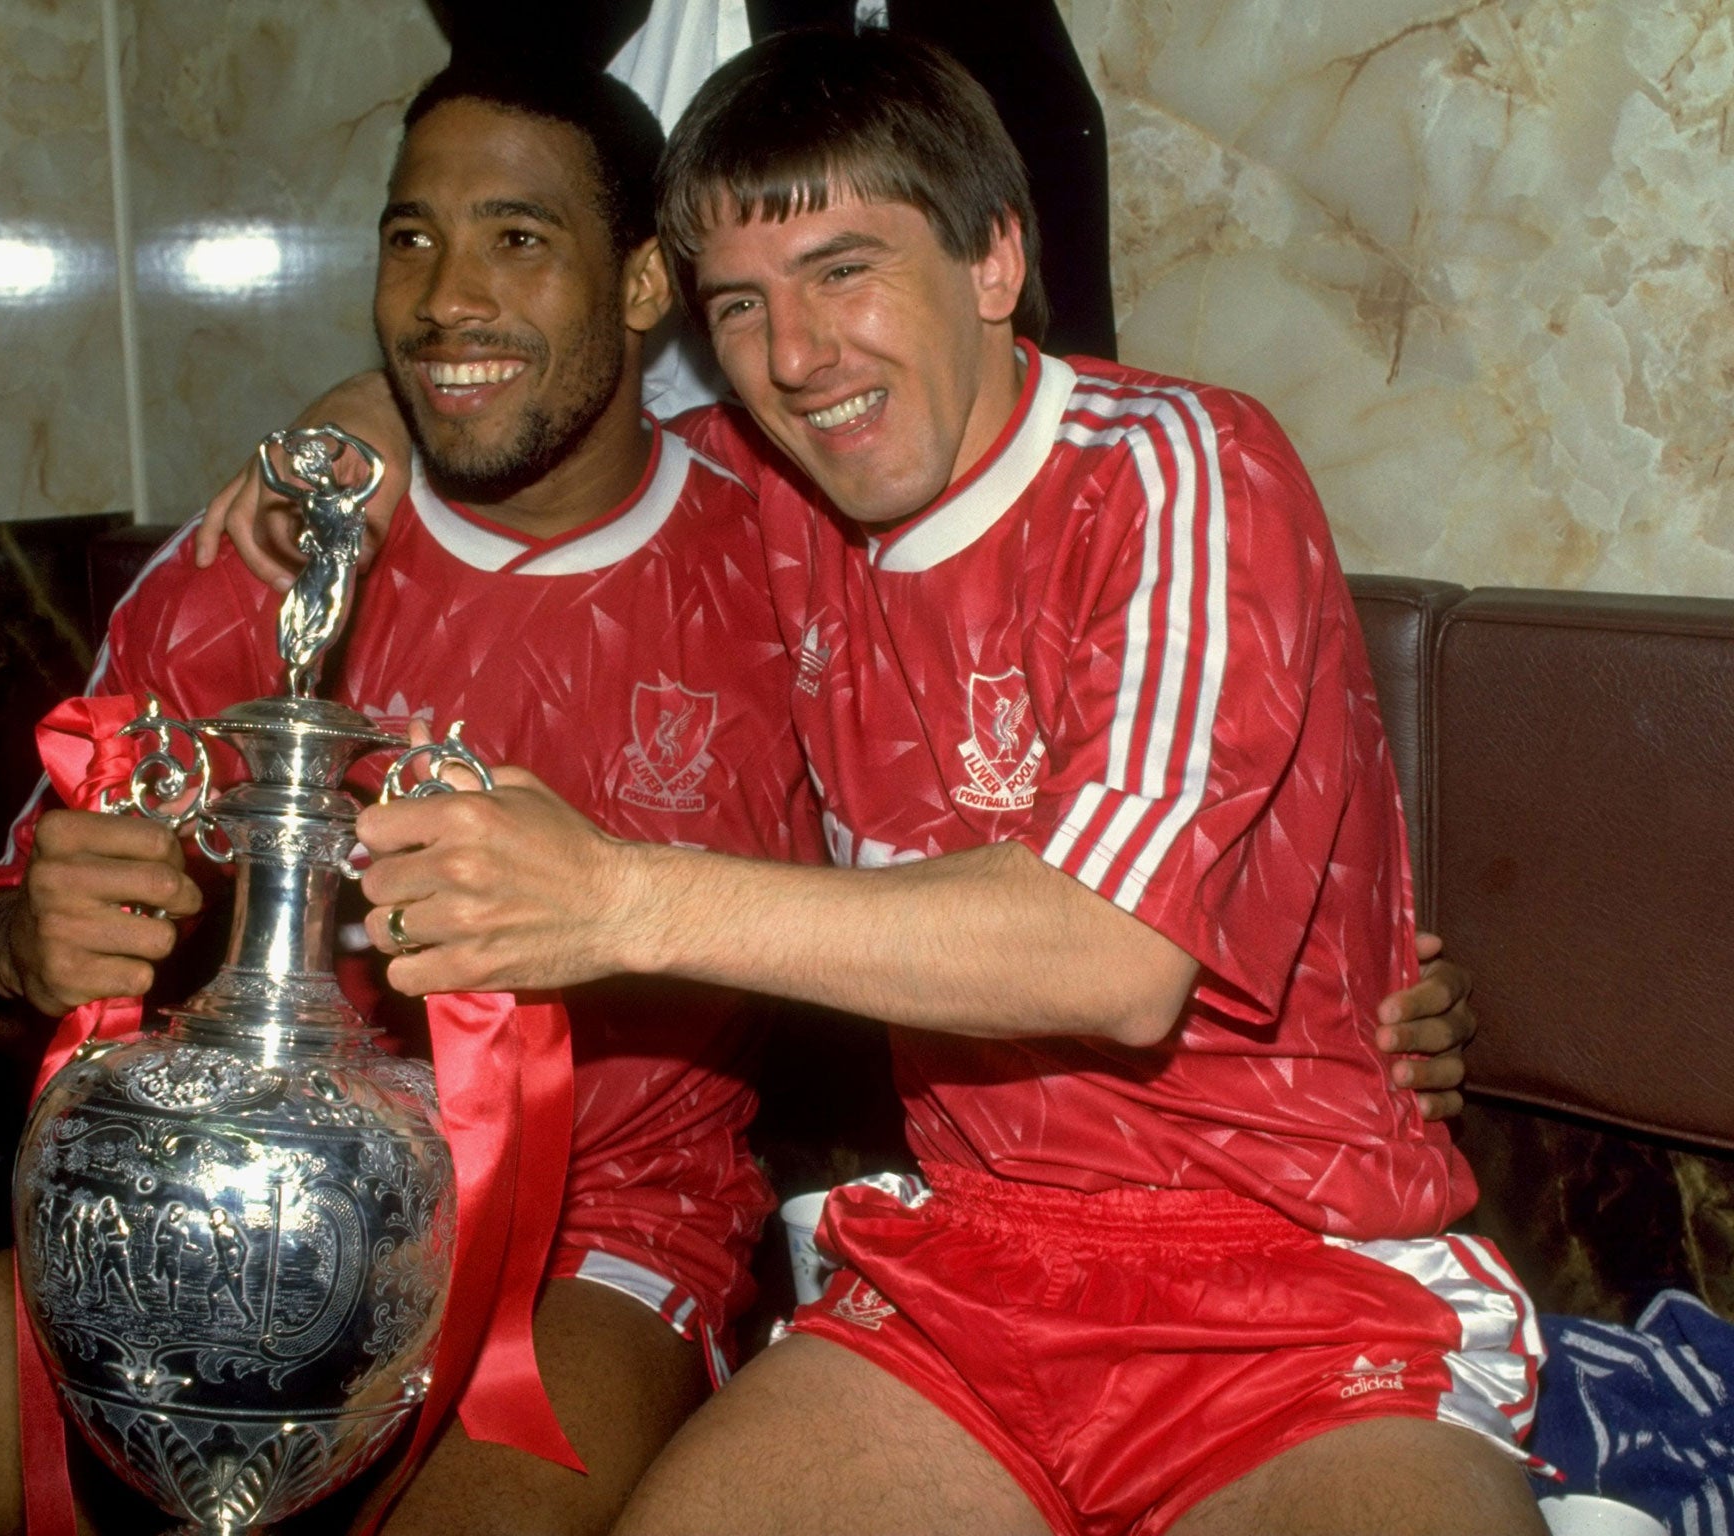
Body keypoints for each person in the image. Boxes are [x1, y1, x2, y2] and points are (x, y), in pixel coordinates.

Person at [0, 48, 1475, 1536]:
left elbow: (1117, 926)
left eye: (517, 244)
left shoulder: (905, 504)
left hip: (714, 1235)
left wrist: (603, 891)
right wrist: (32, 935)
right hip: (290, 1209)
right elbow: (6, 928)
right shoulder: (319, 549)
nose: (453, 299)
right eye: (414, 247)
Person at [283, 29, 1544, 1536]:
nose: (794, 356)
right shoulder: (777, 491)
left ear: (996, 258)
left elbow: (1117, 956)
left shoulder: (1178, 462)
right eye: (739, 305)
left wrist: (614, 897)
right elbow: (552, 424)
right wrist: (365, 412)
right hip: (977, 1279)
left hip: (1293, 1281)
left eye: (845, 270)